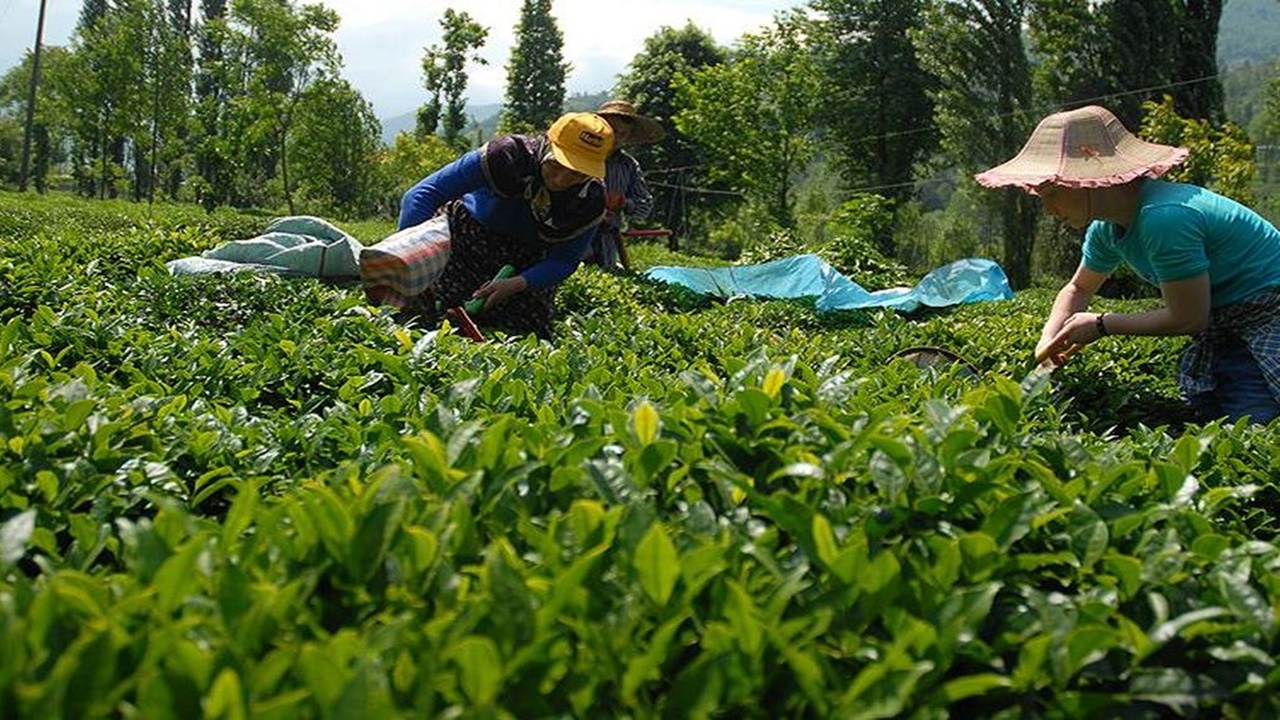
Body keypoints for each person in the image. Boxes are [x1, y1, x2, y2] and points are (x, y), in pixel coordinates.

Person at [975, 104, 1280, 423]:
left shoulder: (1164, 218)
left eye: (1051, 193)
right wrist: (1049, 340)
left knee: (1253, 423)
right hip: (1226, 325)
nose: (1049, 210)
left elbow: (1189, 318)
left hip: (1267, 314)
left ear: (1085, 180)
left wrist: (1102, 324)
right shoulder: (1106, 230)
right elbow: (1078, 288)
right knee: (1213, 413)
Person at [361, 112, 614, 336]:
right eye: (555, 166)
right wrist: (409, 258)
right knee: (430, 311)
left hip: (526, 262)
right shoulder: (505, 156)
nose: (561, 180)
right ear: (546, 144)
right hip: (468, 238)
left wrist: (516, 284)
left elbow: (564, 260)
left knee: (528, 328)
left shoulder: (590, 200)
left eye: (576, 174)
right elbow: (422, 195)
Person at [582, 100, 664, 270]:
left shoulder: (628, 165)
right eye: (611, 130)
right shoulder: (580, 156)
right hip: (573, 236)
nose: (615, 137)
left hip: (607, 243)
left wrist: (624, 203)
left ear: (628, 136)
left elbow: (645, 206)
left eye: (622, 133)